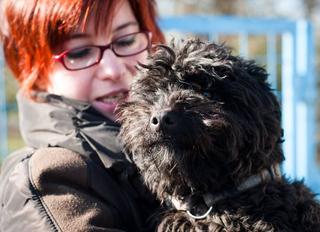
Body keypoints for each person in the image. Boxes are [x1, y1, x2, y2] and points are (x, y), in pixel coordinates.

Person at [0, 0, 165, 231]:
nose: (113, 70)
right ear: (34, 71)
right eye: (79, 53)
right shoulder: (51, 178)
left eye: (126, 40)